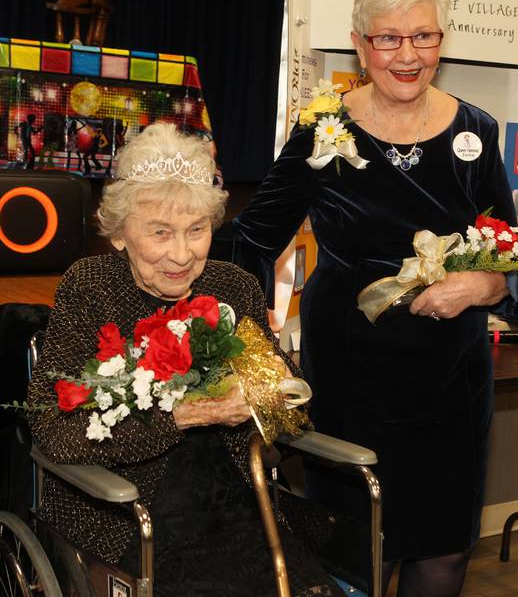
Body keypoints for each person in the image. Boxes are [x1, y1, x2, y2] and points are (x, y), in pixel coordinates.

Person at [235, 0, 518, 595]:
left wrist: (485, 286)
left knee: (442, 552)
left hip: (451, 382)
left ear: (442, 41)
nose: (407, 55)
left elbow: (510, 254)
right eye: (389, 39)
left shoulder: (475, 131)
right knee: (358, 555)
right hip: (350, 377)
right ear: (361, 44)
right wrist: (248, 340)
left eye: (423, 37)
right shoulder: (324, 129)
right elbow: (253, 240)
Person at [26, 123, 344, 597]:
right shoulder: (91, 287)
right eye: (160, 232)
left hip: (239, 503)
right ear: (119, 235)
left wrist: (267, 388)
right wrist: (178, 417)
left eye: (196, 230)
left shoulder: (232, 287)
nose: (181, 254)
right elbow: (51, 428)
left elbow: (295, 416)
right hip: (131, 512)